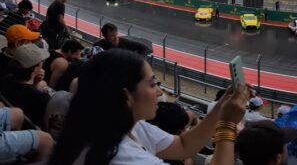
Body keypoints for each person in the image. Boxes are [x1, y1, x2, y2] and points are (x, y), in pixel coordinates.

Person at [48, 49, 250, 165]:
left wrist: (220, 109)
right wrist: (227, 126)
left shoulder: (121, 124)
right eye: (153, 84)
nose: (160, 92)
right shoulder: (125, 158)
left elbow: (182, 146)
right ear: (126, 96)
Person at [1, 44, 52, 127]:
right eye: (41, 61)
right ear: (35, 68)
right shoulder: (42, 98)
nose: (43, 63)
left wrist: (35, 83)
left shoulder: (7, 79)